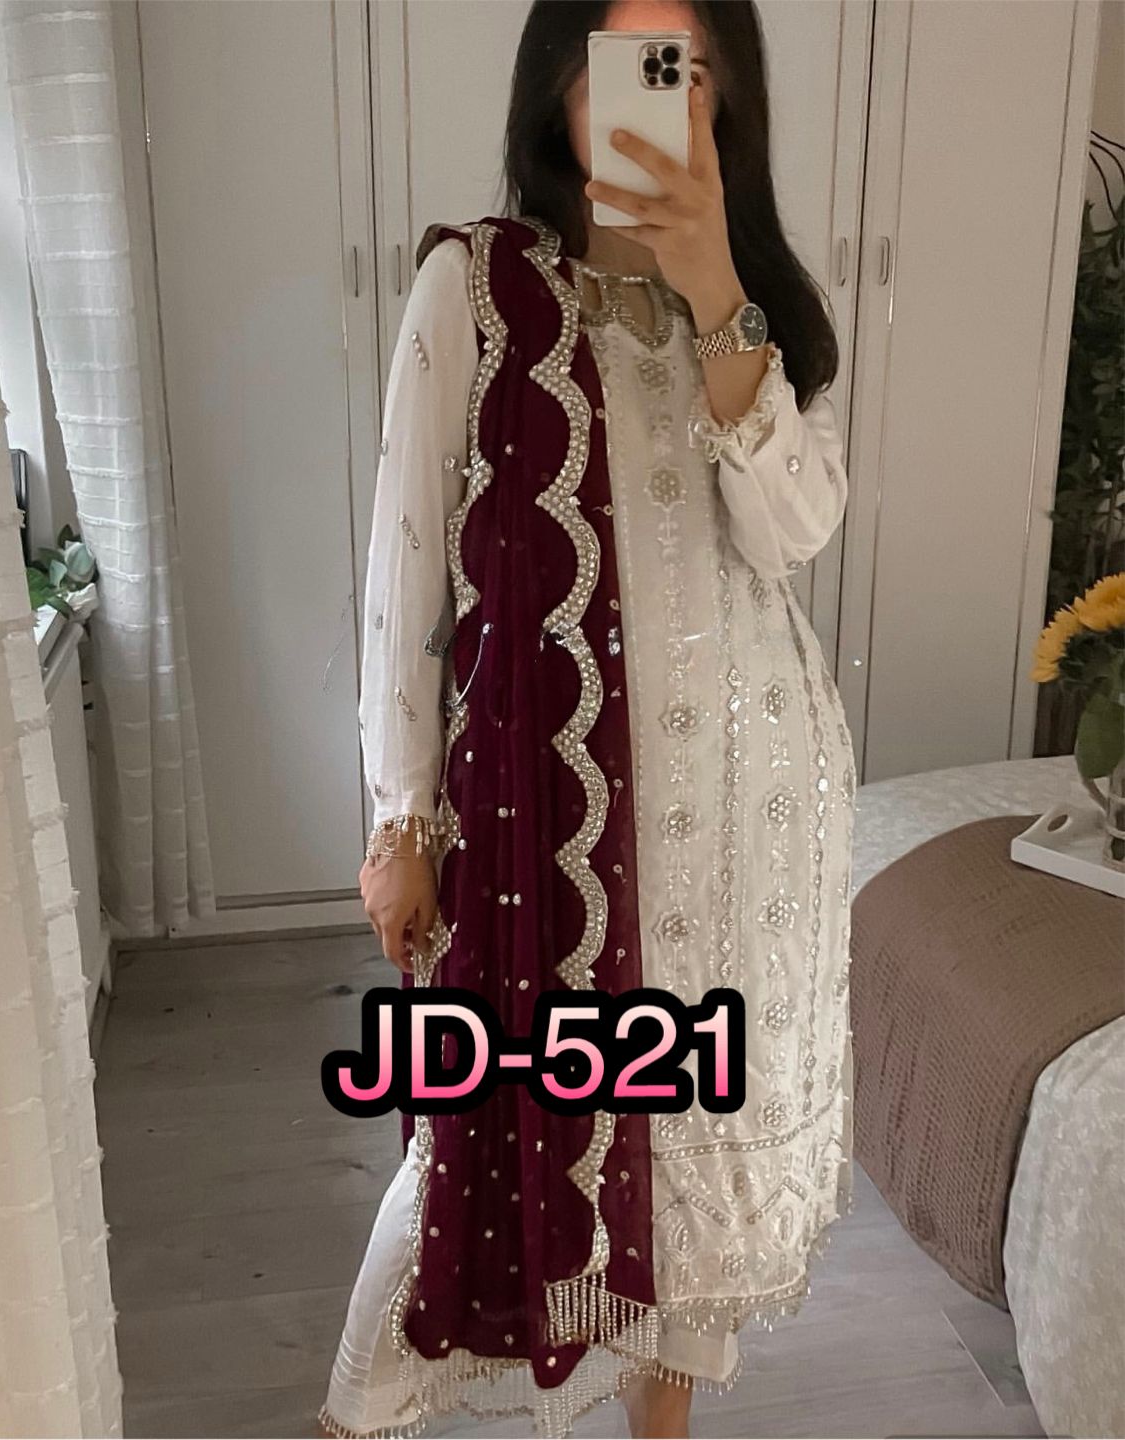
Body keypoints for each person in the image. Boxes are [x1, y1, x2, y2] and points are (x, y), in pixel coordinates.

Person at [321, 2, 856, 1436]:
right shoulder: (477, 287)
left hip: (747, 832)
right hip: (547, 822)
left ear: (726, 91)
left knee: (686, 1166)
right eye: (622, 63)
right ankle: (356, 1416)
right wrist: (398, 818)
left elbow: (793, 532)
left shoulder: (762, 309)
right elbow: (402, 572)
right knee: (471, 1145)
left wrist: (715, 286)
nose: (650, 99)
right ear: (557, 83)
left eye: (683, 66)